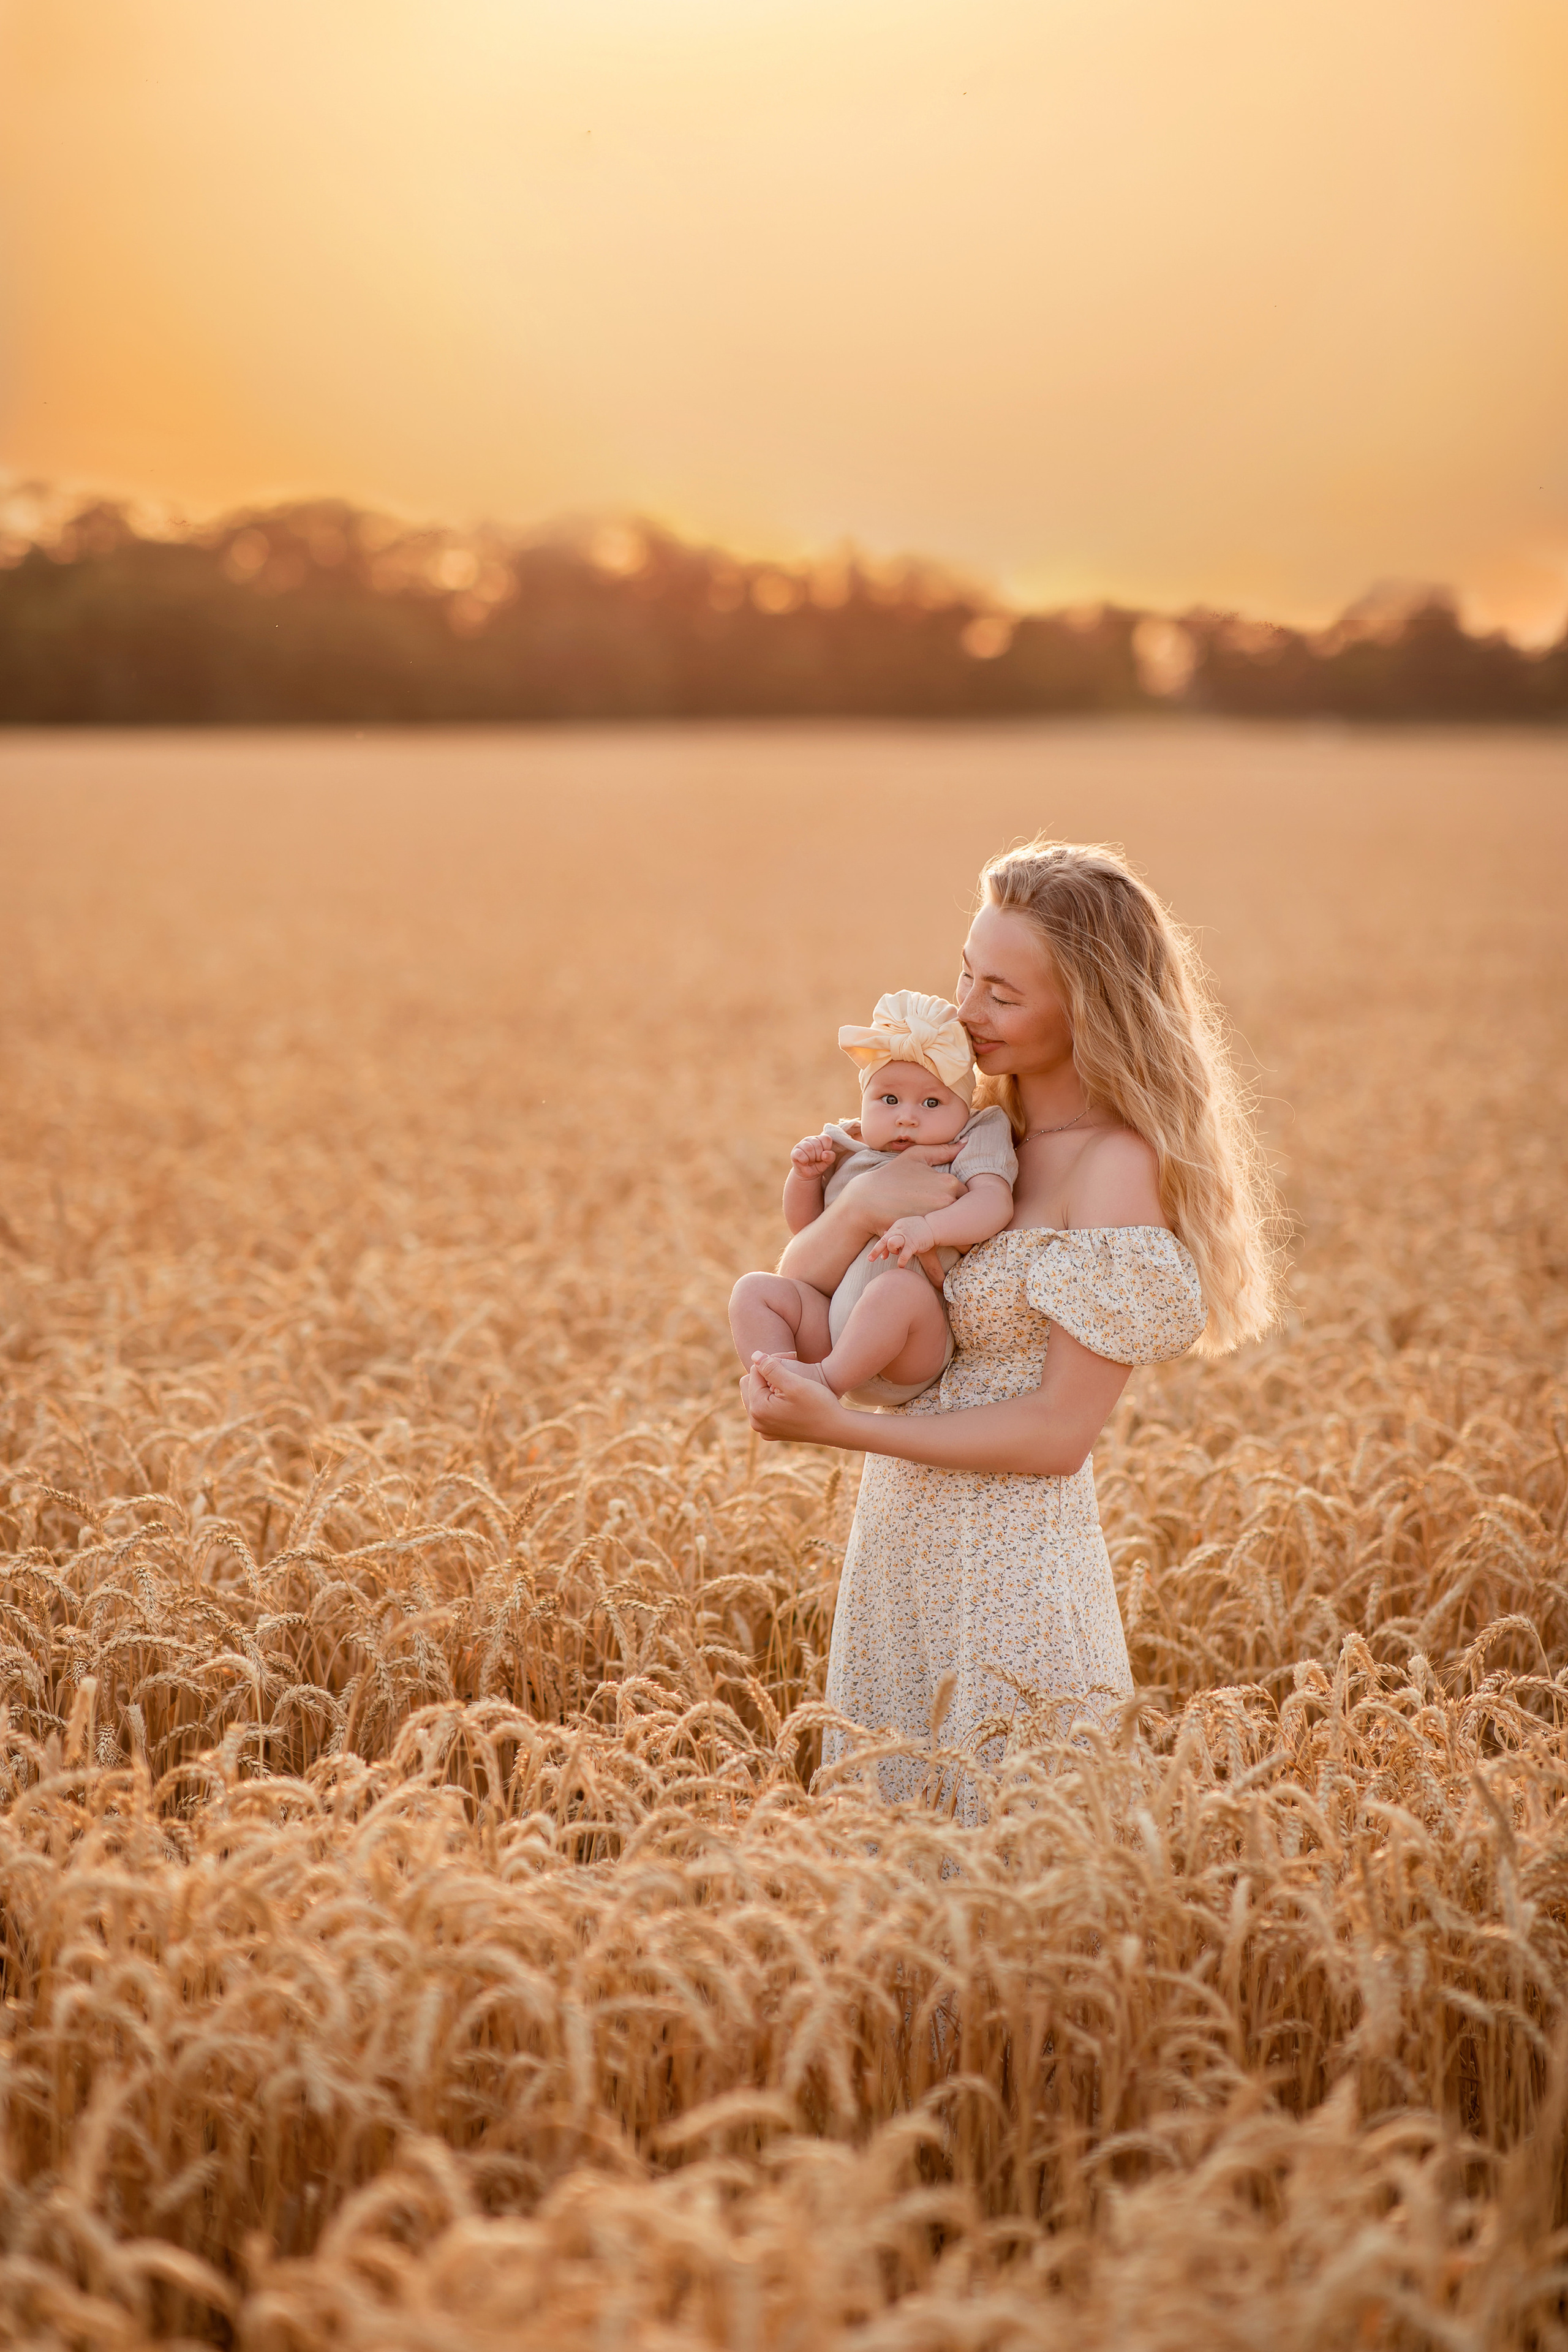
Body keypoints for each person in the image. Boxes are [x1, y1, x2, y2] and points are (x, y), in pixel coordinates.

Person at [738, 837, 1282, 1817]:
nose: (965, 1010)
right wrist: (856, 1208)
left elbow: (1058, 1432)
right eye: (965, 975)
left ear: (1086, 1008)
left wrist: (840, 1427)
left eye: (1002, 993)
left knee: (1008, 1877)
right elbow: (809, 1280)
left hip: (1010, 1579)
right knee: (894, 1883)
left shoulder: (1111, 1167)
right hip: (896, 1553)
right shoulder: (956, 1130)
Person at [728, 989, 1017, 1406]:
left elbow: (994, 1203)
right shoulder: (847, 1143)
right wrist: (805, 1177)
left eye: (932, 1102)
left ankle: (822, 1385)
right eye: (889, 1099)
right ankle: (777, 1378)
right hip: (828, 1331)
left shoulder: (973, 1136)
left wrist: (930, 1228)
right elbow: (805, 1229)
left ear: (965, 1107)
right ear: (863, 1102)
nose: (906, 1116)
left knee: (896, 1289)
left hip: (910, 1349)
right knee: (753, 1291)